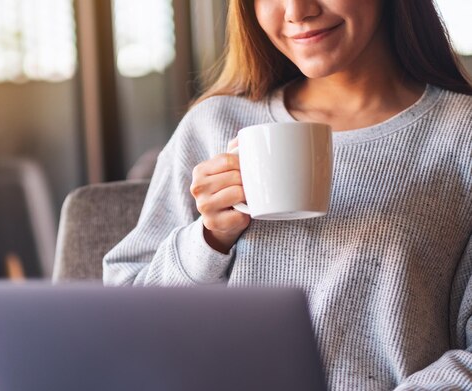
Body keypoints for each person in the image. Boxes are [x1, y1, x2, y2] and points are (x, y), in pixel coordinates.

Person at [103, 0, 472, 389]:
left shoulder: (460, 135)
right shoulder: (212, 126)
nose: (296, 11)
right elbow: (121, 320)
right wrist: (208, 240)